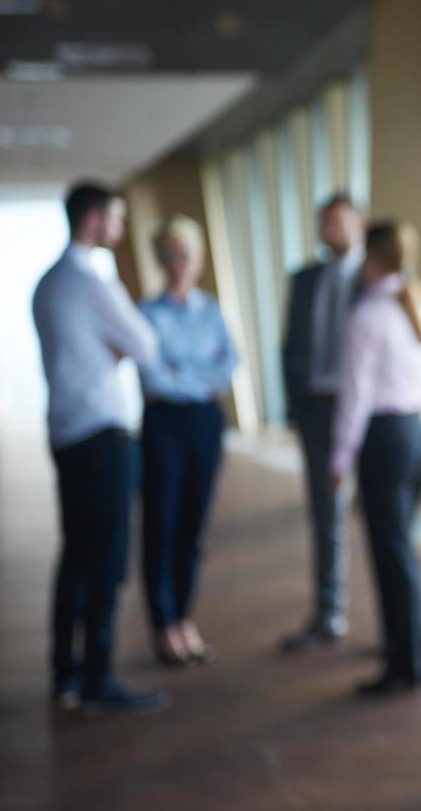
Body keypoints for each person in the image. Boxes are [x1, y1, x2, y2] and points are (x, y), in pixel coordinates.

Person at [32, 181, 170, 714]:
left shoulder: (47, 284)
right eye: (115, 218)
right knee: (107, 559)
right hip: (104, 434)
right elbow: (147, 346)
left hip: (66, 431)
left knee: (74, 555)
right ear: (93, 220)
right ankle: (99, 677)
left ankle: (65, 673)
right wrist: (118, 346)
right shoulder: (92, 283)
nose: (121, 227)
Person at [330, 219, 421, 695]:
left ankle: (407, 662)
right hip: (417, 434)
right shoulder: (420, 307)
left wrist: (339, 460)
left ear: (371, 258)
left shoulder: (367, 316)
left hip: (384, 438)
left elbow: (354, 397)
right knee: (402, 550)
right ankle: (413, 649)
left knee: (390, 553)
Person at [136, 214, 237, 667]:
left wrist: (183, 374)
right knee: (162, 524)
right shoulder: (147, 314)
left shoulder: (211, 309)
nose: (178, 264)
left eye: (186, 255)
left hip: (204, 423)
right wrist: (191, 377)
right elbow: (153, 376)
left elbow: (227, 366)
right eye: (170, 256)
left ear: (197, 261)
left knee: (193, 528)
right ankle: (163, 624)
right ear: (162, 260)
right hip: (163, 424)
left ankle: (184, 619)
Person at [279, 193, 364, 651]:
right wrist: (294, 407)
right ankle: (329, 612)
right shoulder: (305, 279)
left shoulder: (374, 281)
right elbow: (290, 345)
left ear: (360, 225)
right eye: (324, 223)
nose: (331, 231)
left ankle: (398, 624)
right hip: (317, 407)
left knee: (380, 520)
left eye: (339, 222)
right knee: (325, 514)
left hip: (365, 411)